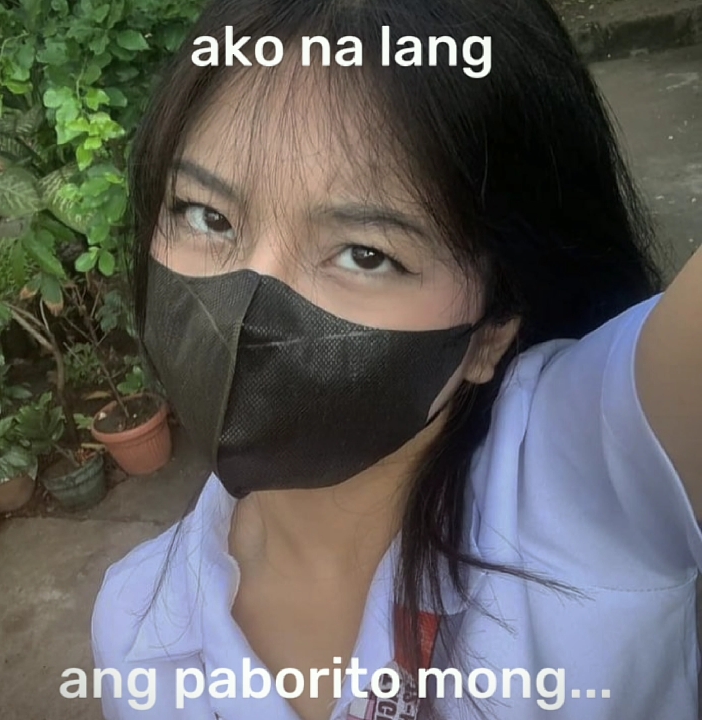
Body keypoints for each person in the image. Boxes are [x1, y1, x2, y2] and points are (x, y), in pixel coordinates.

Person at [90, 0, 702, 718]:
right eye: (207, 215)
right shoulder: (136, 624)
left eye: (365, 254)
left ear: (491, 332)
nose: (246, 311)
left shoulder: (597, 477)